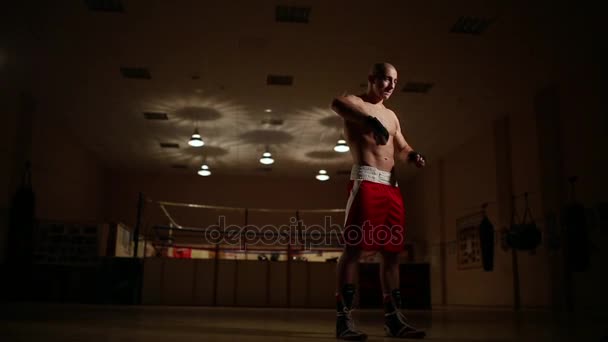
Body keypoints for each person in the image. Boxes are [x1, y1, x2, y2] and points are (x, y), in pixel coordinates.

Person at [330, 62, 426, 340]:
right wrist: (368, 121)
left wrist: (412, 156)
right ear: (372, 79)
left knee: (392, 253)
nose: (391, 85)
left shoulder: (392, 116)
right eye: (385, 79)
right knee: (354, 250)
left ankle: (394, 320)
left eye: (395, 81)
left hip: (392, 187)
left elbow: (402, 145)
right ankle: (343, 321)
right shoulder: (354, 102)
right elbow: (336, 103)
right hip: (367, 181)